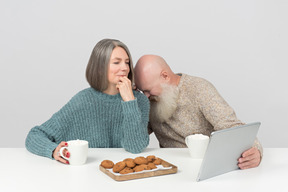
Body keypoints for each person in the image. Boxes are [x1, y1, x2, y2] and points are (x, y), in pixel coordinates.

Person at [25, 39, 150, 164]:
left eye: (127, 63)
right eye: (116, 62)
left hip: (126, 178)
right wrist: (53, 150)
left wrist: (129, 101)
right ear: (100, 68)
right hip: (89, 175)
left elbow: (135, 147)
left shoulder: (139, 101)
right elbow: (34, 136)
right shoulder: (83, 100)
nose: (124, 68)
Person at [134, 55, 263, 170]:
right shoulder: (148, 99)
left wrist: (256, 150)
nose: (145, 97)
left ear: (165, 76)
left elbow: (232, 126)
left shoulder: (199, 89)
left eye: (148, 90)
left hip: (206, 167)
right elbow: (133, 137)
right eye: (141, 91)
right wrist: (128, 99)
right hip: (171, 169)